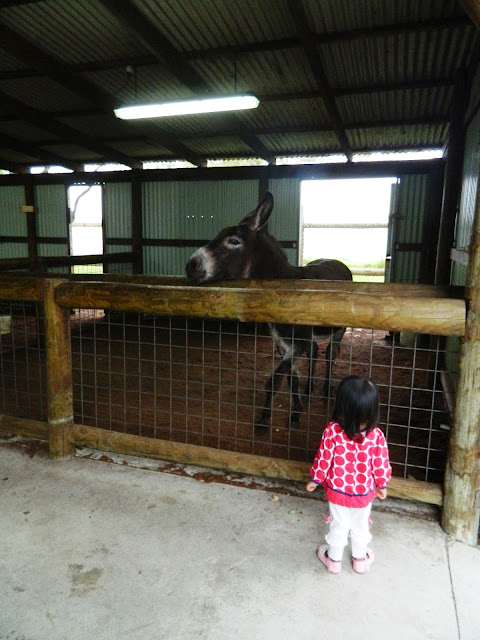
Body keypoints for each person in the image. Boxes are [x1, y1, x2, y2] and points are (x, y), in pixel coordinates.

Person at [306, 375, 391, 574]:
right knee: (361, 525)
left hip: (338, 492)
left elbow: (323, 458)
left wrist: (315, 479)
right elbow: (381, 463)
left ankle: (333, 561)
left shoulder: (332, 431)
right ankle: (359, 561)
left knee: (339, 524)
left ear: (342, 406)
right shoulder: (376, 436)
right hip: (364, 493)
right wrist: (382, 484)